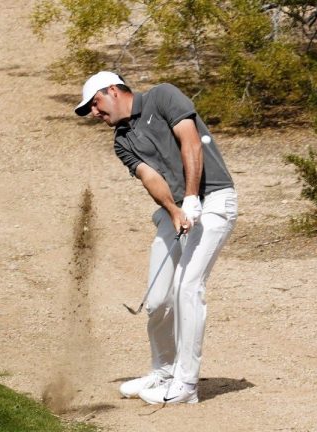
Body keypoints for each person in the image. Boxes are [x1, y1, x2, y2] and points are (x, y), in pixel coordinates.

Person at [74, 71, 238, 404]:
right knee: (159, 298)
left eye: (95, 103)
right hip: (174, 209)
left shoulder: (163, 96)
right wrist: (175, 210)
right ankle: (163, 371)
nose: (94, 112)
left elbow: (190, 141)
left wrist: (192, 197)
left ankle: (186, 385)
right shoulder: (122, 140)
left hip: (215, 197)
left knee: (188, 287)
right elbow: (150, 177)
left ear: (113, 91)